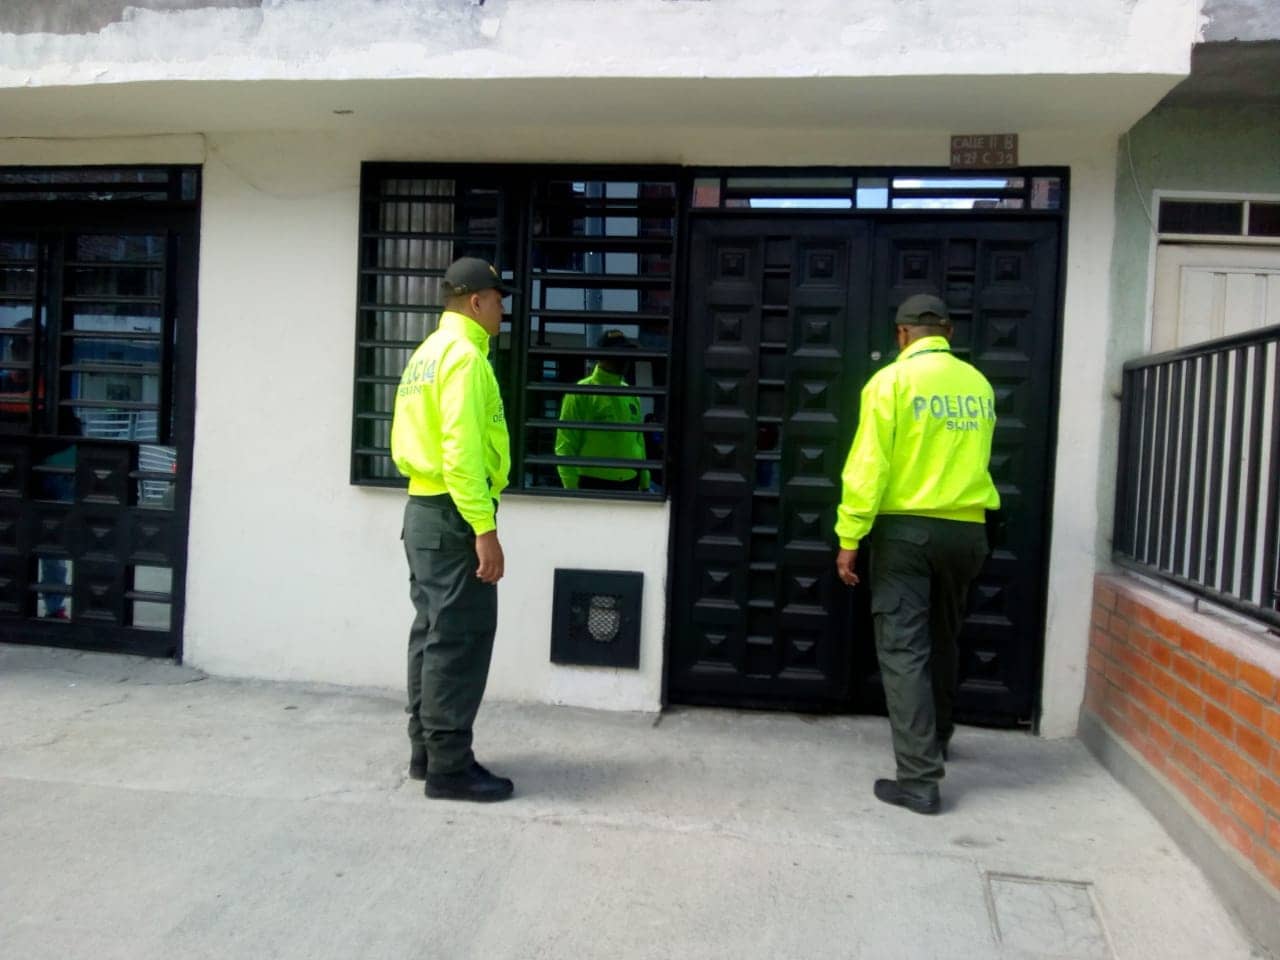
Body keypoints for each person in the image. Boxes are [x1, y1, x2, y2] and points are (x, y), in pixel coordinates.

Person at [834, 293, 1000, 815]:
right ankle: (938, 738)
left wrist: (850, 537)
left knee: (904, 650)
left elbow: (867, 467)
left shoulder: (891, 382)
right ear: (947, 333)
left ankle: (919, 779)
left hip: (907, 532)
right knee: (943, 638)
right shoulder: (978, 385)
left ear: (902, 334)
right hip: (968, 530)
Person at [391, 257, 515, 803]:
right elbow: (461, 454)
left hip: (422, 511)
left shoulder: (425, 354)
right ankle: (449, 767)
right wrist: (483, 529)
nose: (503, 309)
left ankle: (426, 751)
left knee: (431, 634)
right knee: (459, 640)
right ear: (475, 301)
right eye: (498, 299)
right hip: (452, 513)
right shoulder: (465, 358)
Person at [555, 329, 651, 492]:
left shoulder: (630, 393)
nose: (625, 360)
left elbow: (638, 440)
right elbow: (565, 445)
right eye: (618, 354)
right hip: (593, 483)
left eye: (626, 354)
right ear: (602, 357)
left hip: (630, 483)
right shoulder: (581, 393)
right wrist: (572, 490)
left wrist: (645, 482)